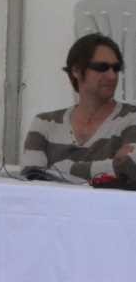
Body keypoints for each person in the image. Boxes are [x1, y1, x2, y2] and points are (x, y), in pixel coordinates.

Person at [22, 33, 136, 182]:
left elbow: (129, 169)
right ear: (76, 70)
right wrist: (109, 168)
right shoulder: (44, 123)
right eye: (102, 67)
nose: (112, 76)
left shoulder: (131, 118)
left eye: (116, 68)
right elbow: (32, 177)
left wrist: (63, 168)